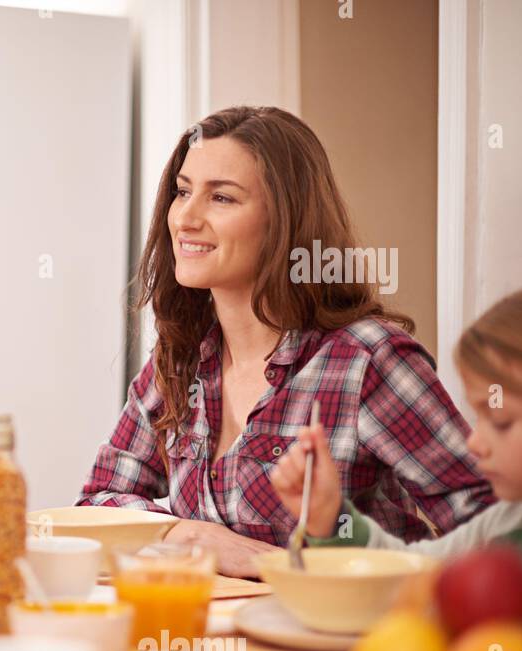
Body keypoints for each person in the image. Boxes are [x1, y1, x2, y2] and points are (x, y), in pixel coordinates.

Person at [77, 106, 494, 577]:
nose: (185, 219)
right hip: (214, 645)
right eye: (183, 191)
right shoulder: (179, 361)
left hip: (351, 644)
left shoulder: (367, 361)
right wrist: (186, 535)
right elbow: (96, 505)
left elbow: (494, 531)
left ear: (284, 221)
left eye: (222, 199)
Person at [271, 278, 522, 617]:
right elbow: (405, 577)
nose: (475, 442)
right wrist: (332, 518)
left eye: (501, 422)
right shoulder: (504, 525)